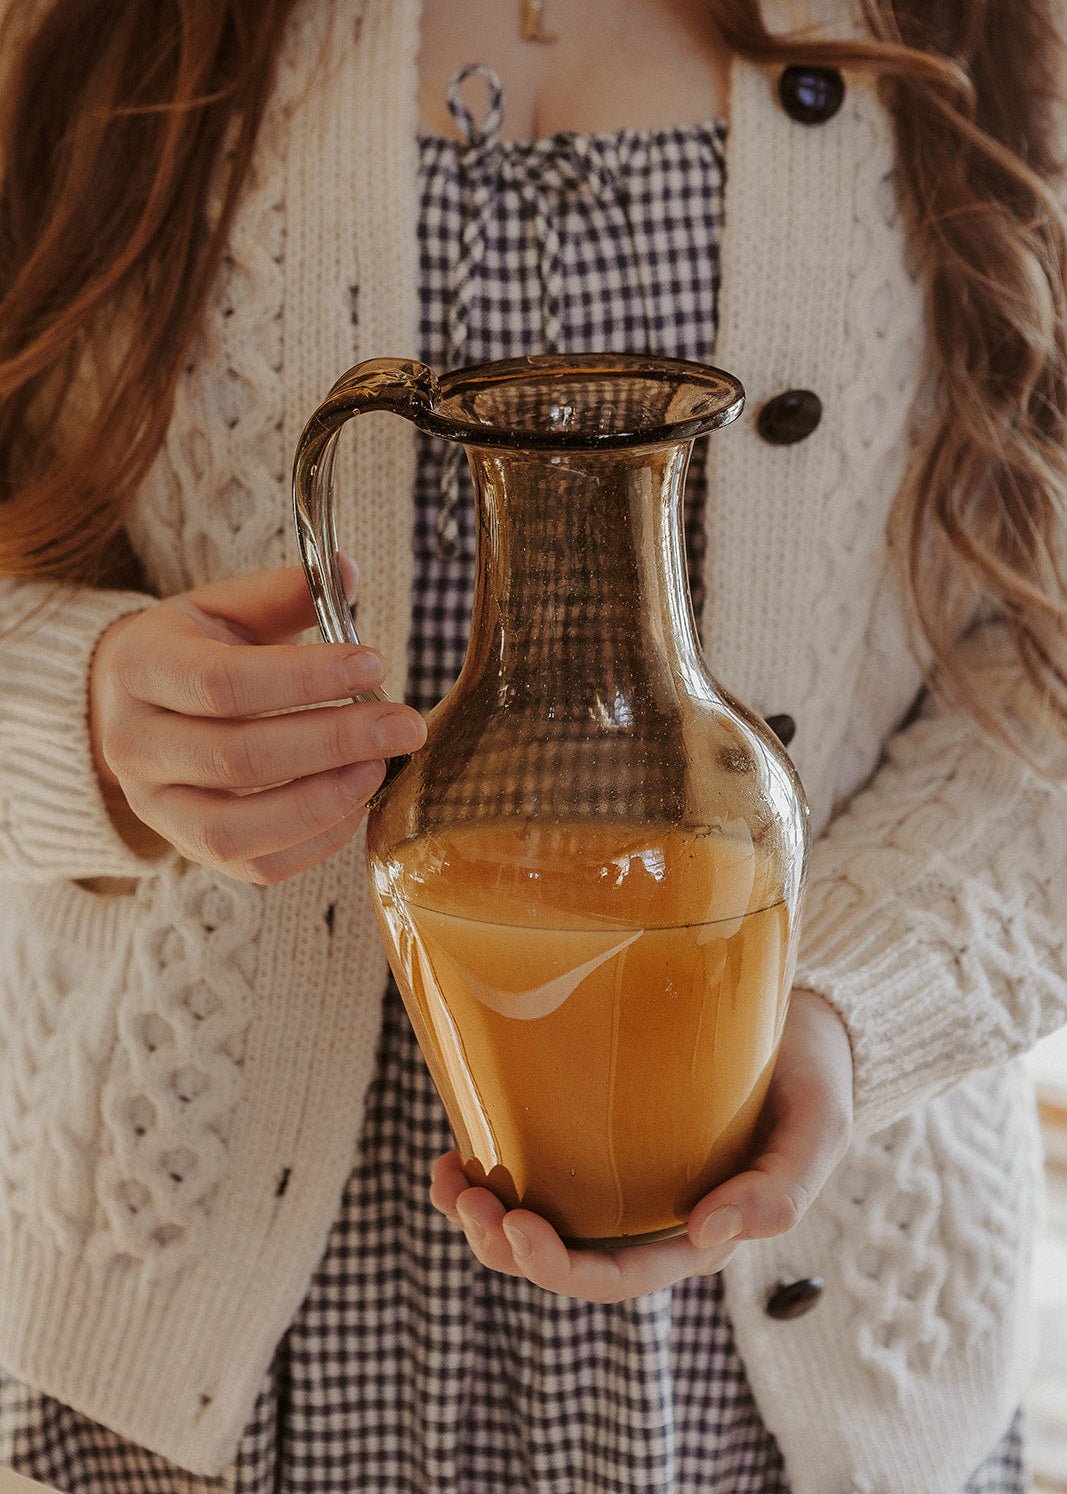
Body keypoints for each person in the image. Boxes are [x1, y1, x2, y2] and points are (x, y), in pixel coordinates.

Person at [0, 0, 1064, 1490]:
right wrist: (81, 716)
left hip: (806, 1323)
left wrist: (831, 1013)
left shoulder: (978, 31)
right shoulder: (99, 36)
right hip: (199, 1320)